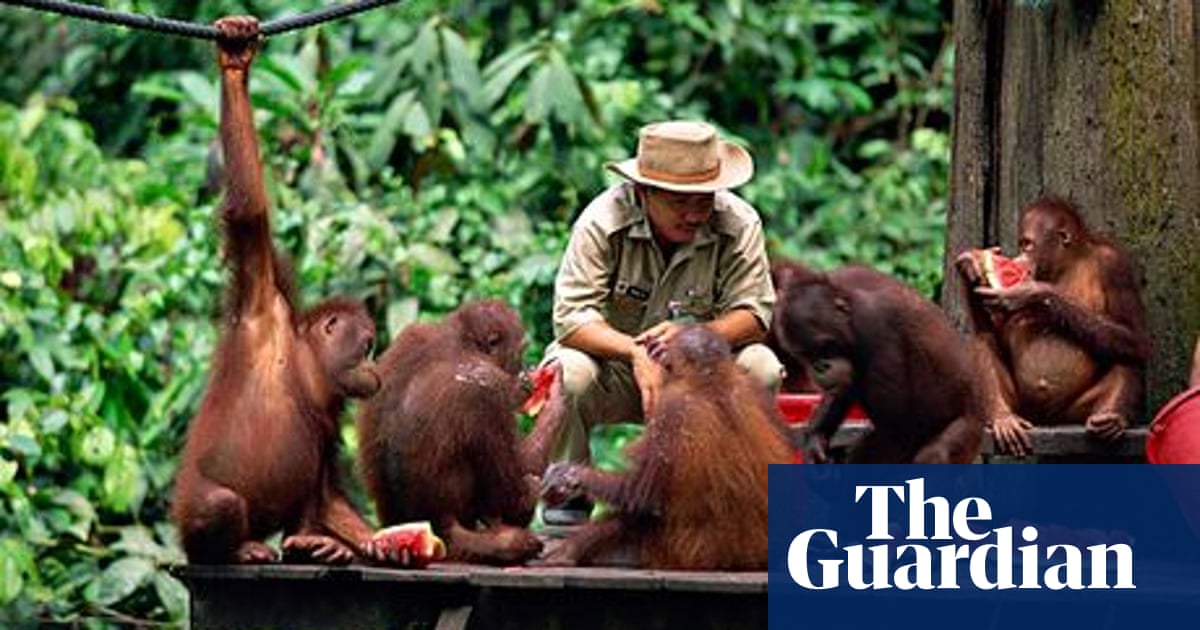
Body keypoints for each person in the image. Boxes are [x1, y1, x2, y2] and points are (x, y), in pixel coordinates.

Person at [540, 120, 782, 526]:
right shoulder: (602, 221)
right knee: (567, 371)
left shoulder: (739, 222)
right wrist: (634, 352)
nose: (695, 214)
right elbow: (571, 319)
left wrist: (696, 337)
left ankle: (728, 494)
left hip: (701, 375)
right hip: (619, 372)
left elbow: (756, 315)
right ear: (643, 192)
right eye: (679, 201)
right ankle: (568, 494)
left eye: (704, 199)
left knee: (761, 366)